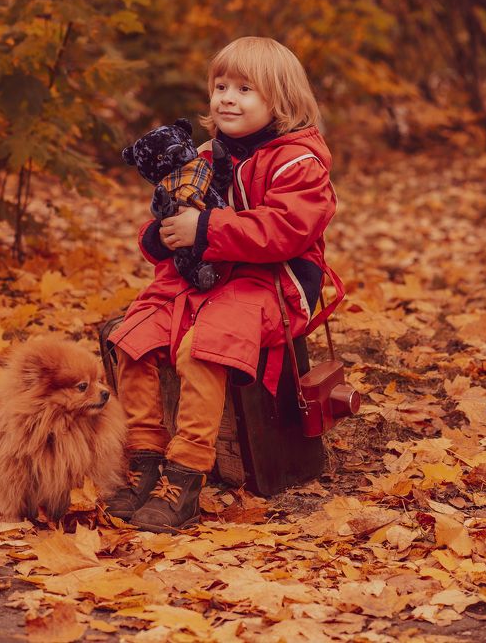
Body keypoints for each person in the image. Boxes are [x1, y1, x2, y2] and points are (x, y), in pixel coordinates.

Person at [105, 36, 338, 532]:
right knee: (135, 337)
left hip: (271, 283)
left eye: (245, 89)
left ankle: (186, 474)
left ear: (281, 100)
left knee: (203, 348)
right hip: (207, 276)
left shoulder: (300, 162)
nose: (227, 97)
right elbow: (176, 215)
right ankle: (144, 460)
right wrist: (165, 235)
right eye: (221, 86)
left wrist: (205, 229)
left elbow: (285, 230)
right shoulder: (205, 155)